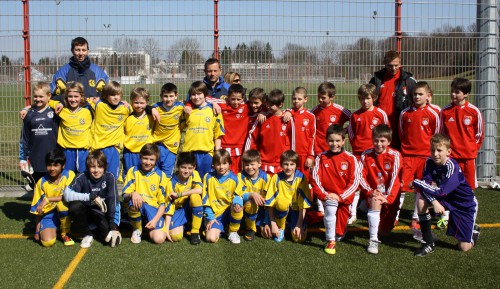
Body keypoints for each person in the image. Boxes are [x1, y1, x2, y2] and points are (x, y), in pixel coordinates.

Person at [412, 134, 480, 256]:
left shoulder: (452, 167)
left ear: (448, 152)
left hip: (464, 204)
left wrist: (416, 182)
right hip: (446, 199)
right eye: (433, 150)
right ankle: (428, 244)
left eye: (439, 150)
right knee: (421, 202)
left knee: (463, 247)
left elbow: (440, 192)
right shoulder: (429, 162)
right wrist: (434, 202)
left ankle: (474, 232)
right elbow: (425, 187)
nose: (435, 154)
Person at [310, 125, 360, 254]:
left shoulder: (351, 158)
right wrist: (324, 195)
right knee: (331, 207)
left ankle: (338, 230)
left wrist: (340, 197)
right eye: (331, 141)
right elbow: (315, 179)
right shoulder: (321, 157)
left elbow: (354, 182)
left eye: (338, 141)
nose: (334, 144)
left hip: (343, 199)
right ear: (326, 141)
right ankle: (330, 241)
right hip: (328, 197)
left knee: (340, 234)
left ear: (344, 141)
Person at [398, 81, 440, 233]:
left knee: (420, 188)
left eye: (420, 94)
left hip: (425, 157)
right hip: (408, 155)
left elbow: (436, 135)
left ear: (428, 96)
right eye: (415, 94)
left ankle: (416, 217)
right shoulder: (405, 113)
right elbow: (402, 133)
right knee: (402, 186)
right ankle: (394, 215)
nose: (417, 96)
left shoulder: (434, 113)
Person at [347, 84, 389, 224]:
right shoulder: (355, 115)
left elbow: (386, 132)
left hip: (375, 153)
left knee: (376, 179)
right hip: (359, 154)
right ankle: (353, 212)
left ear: (374, 98)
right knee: (358, 181)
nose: (365, 101)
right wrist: (357, 148)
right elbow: (352, 134)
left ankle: (373, 205)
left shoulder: (380, 114)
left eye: (368, 98)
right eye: (362, 98)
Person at [359, 124, 402, 255]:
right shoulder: (366, 155)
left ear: (389, 141)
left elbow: (396, 180)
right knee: (375, 200)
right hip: (374, 193)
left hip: (389, 196)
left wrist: (388, 198)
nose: (379, 144)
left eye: (382, 141)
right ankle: (373, 240)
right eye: (376, 140)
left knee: (384, 231)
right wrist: (370, 191)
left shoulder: (395, 155)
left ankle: (368, 209)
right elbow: (360, 176)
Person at [64, 150, 120, 248]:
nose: (96, 170)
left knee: (110, 240)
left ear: (104, 167)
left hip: (101, 214)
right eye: (93, 167)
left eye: (100, 166)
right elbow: (66, 195)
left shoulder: (109, 177)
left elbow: (113, 201)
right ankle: (87, 233)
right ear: (88, 167)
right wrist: (90, 196)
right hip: (86, 212)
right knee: (75, 205)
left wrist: (113, 226)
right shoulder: (82, 176)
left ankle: (96, 228)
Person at [440, 78, 484, 190]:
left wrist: (472, 148)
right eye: (452, 91)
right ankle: (451, 207)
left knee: (469, 186)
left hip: (468, 156)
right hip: (452, 155)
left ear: (466, 94)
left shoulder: (473, 111)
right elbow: (442, 132)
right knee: (450, 184)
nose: (453, 94)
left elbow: (479, 133)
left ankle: (470, 207)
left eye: (457, 92)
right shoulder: (445, 111)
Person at [369, 50, 417, 149]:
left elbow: (419, 98)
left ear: (400, 63)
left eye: (396, 65)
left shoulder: (408, 80)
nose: (393, 68)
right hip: (380, 123)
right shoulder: (376, 80)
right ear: (385, 64)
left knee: (398, 152)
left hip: (400, 122)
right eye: (390, 65)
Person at [122, 144, 168, 245]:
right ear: (140, 157)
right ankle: (137, 229)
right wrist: (132, 194)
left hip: (153, 210)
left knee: (159, 239)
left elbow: (163, 204)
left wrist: (155, 220)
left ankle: (148, 224)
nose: (148, 162)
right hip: (139, 206)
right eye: (145, 158)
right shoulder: (133, 171)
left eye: (151, 159)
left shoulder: (161, 176)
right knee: (135, 203)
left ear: (156, 160)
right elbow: (124, 197)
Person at [30, 148, 75, 247]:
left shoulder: (69, 175)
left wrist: (48, 199)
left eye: (56, 165)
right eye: (49, 165)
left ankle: (65, 233)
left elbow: (70, 196)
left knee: (61, 204)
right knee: (47, 242)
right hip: (49, 215)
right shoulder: (41, 182)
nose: (52, 168)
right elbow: (38, 209)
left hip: (68, 212)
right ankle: (56, 226)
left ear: (63, 165)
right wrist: (37, 231)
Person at [264, 150, 312, 243]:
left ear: (296, 165)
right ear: (281, 165)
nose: (289, 167)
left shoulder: (301, 178)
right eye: (286, 164)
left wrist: (299, 225)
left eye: (292, 164)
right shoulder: (276, 178)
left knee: (298, 239)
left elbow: (304, 204)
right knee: (282, 202)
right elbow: (269, 202)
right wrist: (273, 224)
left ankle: (296, 225)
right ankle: (281, 227)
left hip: (296, 210)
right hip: (280, 209)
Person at [87, 81, 132, 179]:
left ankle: (111, 194)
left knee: (111, 178)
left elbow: (141, 108)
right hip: (98, 147)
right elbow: (81, 100)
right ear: (106, 96)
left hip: (114, 148)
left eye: (118, 95)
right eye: (112, 95)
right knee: (96, 177)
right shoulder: (98, 106)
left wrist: (152, 108)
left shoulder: (125, 109)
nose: (116, 97)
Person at [245, 89, 295, 175]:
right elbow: (252, 137)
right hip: (264, 162)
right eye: (267, 104)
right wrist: (248, 156)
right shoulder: (262, 118)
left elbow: (293, 141)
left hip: (283, 162)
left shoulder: (288, 119)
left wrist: (292, 159)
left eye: (271, 105)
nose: (268, 106)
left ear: (281, 104)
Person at [182, 81, 225, 178]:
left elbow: (218, 133)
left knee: (206, 180)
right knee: (188, 181)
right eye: (193, 94)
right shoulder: (187, 111)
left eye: (199, 94)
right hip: (189, 152)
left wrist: (217, 152)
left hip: (206, 153)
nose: (196, 97)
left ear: (205, 94)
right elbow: (179, 128)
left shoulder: (214, 110)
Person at [202, 149, 245, 244]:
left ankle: (233, 231)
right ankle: (221, 228)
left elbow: (239, 195)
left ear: (229, 163)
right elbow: (205, 199)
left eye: (224, 163)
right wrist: (210, 217)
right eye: (218, 164)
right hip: (215, 215)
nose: (221, 167)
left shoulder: (235, 179)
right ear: (213, 164)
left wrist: (238, 203)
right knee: (210, 238)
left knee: (238, 204)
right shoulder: (208, 177)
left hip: (229, 212)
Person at [20, 82, 59, 185]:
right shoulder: (29, 115)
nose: (38, 99)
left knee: (53, 186)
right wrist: (23, 159)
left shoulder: (56, 112)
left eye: (41, 96)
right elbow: (24, 139)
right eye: (35, 96)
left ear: (49, 96)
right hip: (36, 157)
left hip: (53, 157)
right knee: (38, 187)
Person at [48, 82, 92, 173]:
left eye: (76, 96)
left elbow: (103, 103)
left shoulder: (88, 110)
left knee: (83, 175)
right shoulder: (62, 110)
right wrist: (28, 108)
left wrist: (124, 103)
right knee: (68, 176)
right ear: (66, 97)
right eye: (70, 96)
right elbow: (46, 101)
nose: (73, 99)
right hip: (67, 150)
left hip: (83, 151)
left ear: (82, 97)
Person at [50, 37, 108, 101]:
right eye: (77, 50)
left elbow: (108, 94)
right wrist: (66, 100)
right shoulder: (62, 72)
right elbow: (52, 96)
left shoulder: (97, 71)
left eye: (84, 50)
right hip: (70, 109)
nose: (81, 53)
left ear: (88, 51)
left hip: (92, 109)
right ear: (72, 51)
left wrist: (98, 99)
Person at [163, 152, 204, 245]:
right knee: (176, 236)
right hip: (178, 210)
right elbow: (169, 207)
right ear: (177, 166)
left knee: (195, 197)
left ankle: (195, 231)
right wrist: (166, 229)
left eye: (190, 168)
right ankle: (187, 224)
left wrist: (180, 194)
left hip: (189, 206)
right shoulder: (171, 183)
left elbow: (200, 190)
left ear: (194, 168)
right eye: (183, 167)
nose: (186, 171)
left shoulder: (194, 174)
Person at [152, 83, 185, 178]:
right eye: (165, 96)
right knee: (154, 173)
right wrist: (152, 109)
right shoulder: (156, 107)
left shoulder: (180, 107)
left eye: (171, 96)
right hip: (157, 145)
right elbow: (144, 107)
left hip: (171, 147)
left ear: (176, 96)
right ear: (161, 96)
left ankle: (165, 192)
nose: (168, 99)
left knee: (166, 175)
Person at [311, 82, 351, 156]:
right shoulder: (314, 110)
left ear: (331, 97)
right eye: (318, 96)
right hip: (318, 148)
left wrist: (344, 130)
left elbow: (354, 119)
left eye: (323, 98)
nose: (320, 99)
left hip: (335, 146)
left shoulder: (340, 110)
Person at [220, 84, 251, 174]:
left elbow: (261, 102)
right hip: (225, 147)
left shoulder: (247, 107)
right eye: (233, 99)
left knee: (239, 174)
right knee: (224, 173)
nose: (235, 102)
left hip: (240, 148)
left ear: (243, 98)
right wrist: (215, 104)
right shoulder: (223, 105)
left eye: (238, 99)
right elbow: (207, 99)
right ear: (228, 97)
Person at [239, 149, 270, 241]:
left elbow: (269, 200)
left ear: (259, 164)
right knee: (250, 203)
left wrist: (267, 222)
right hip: (246, 208)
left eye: (252, 164)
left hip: (262, 210)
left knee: (267, 235)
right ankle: (250, 228)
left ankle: (262, 223)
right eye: (246, 165)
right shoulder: (240, 176)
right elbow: (239, 194)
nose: (249, 167)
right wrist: (251, 194)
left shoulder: (266, 178)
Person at [123, 87, 154, 178]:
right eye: (136, 102)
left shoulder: (151, 116)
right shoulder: (127, 115)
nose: (139, 105)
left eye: (142, 103)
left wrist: (153, 109)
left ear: (147, 102)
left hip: (146, 152)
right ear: (131, 101)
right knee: (130, 176)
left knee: (145, 176)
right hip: (130, 152)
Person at [288, 87, 316, 181]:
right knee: (289, 180)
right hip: (290, 155)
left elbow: (312, 137)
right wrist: (289, 111)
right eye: (294, 98)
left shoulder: (310, 116)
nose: (296, 101)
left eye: (299, 99)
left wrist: (310, 156)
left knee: (303, 181)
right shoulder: (287, 114)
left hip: (304, 155)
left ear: (305, 100)